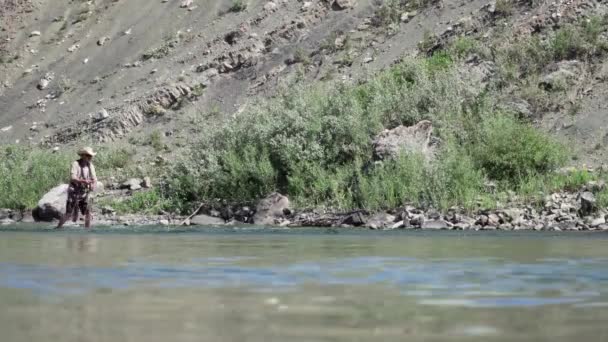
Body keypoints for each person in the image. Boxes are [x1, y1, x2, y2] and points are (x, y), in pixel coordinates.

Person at [56, 147, 98, 229]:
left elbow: (94, 179)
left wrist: (93, 185)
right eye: (88, 156)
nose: (90, 157)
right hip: (74, 191)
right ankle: (58, 227)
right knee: (68, 213)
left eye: (91, 156)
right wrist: (84, 181)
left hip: (84, 192)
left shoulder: (90, 166)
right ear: (83, 155)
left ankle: (87, 229)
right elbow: (73, 177)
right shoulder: (75, 164)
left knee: (87, 211)